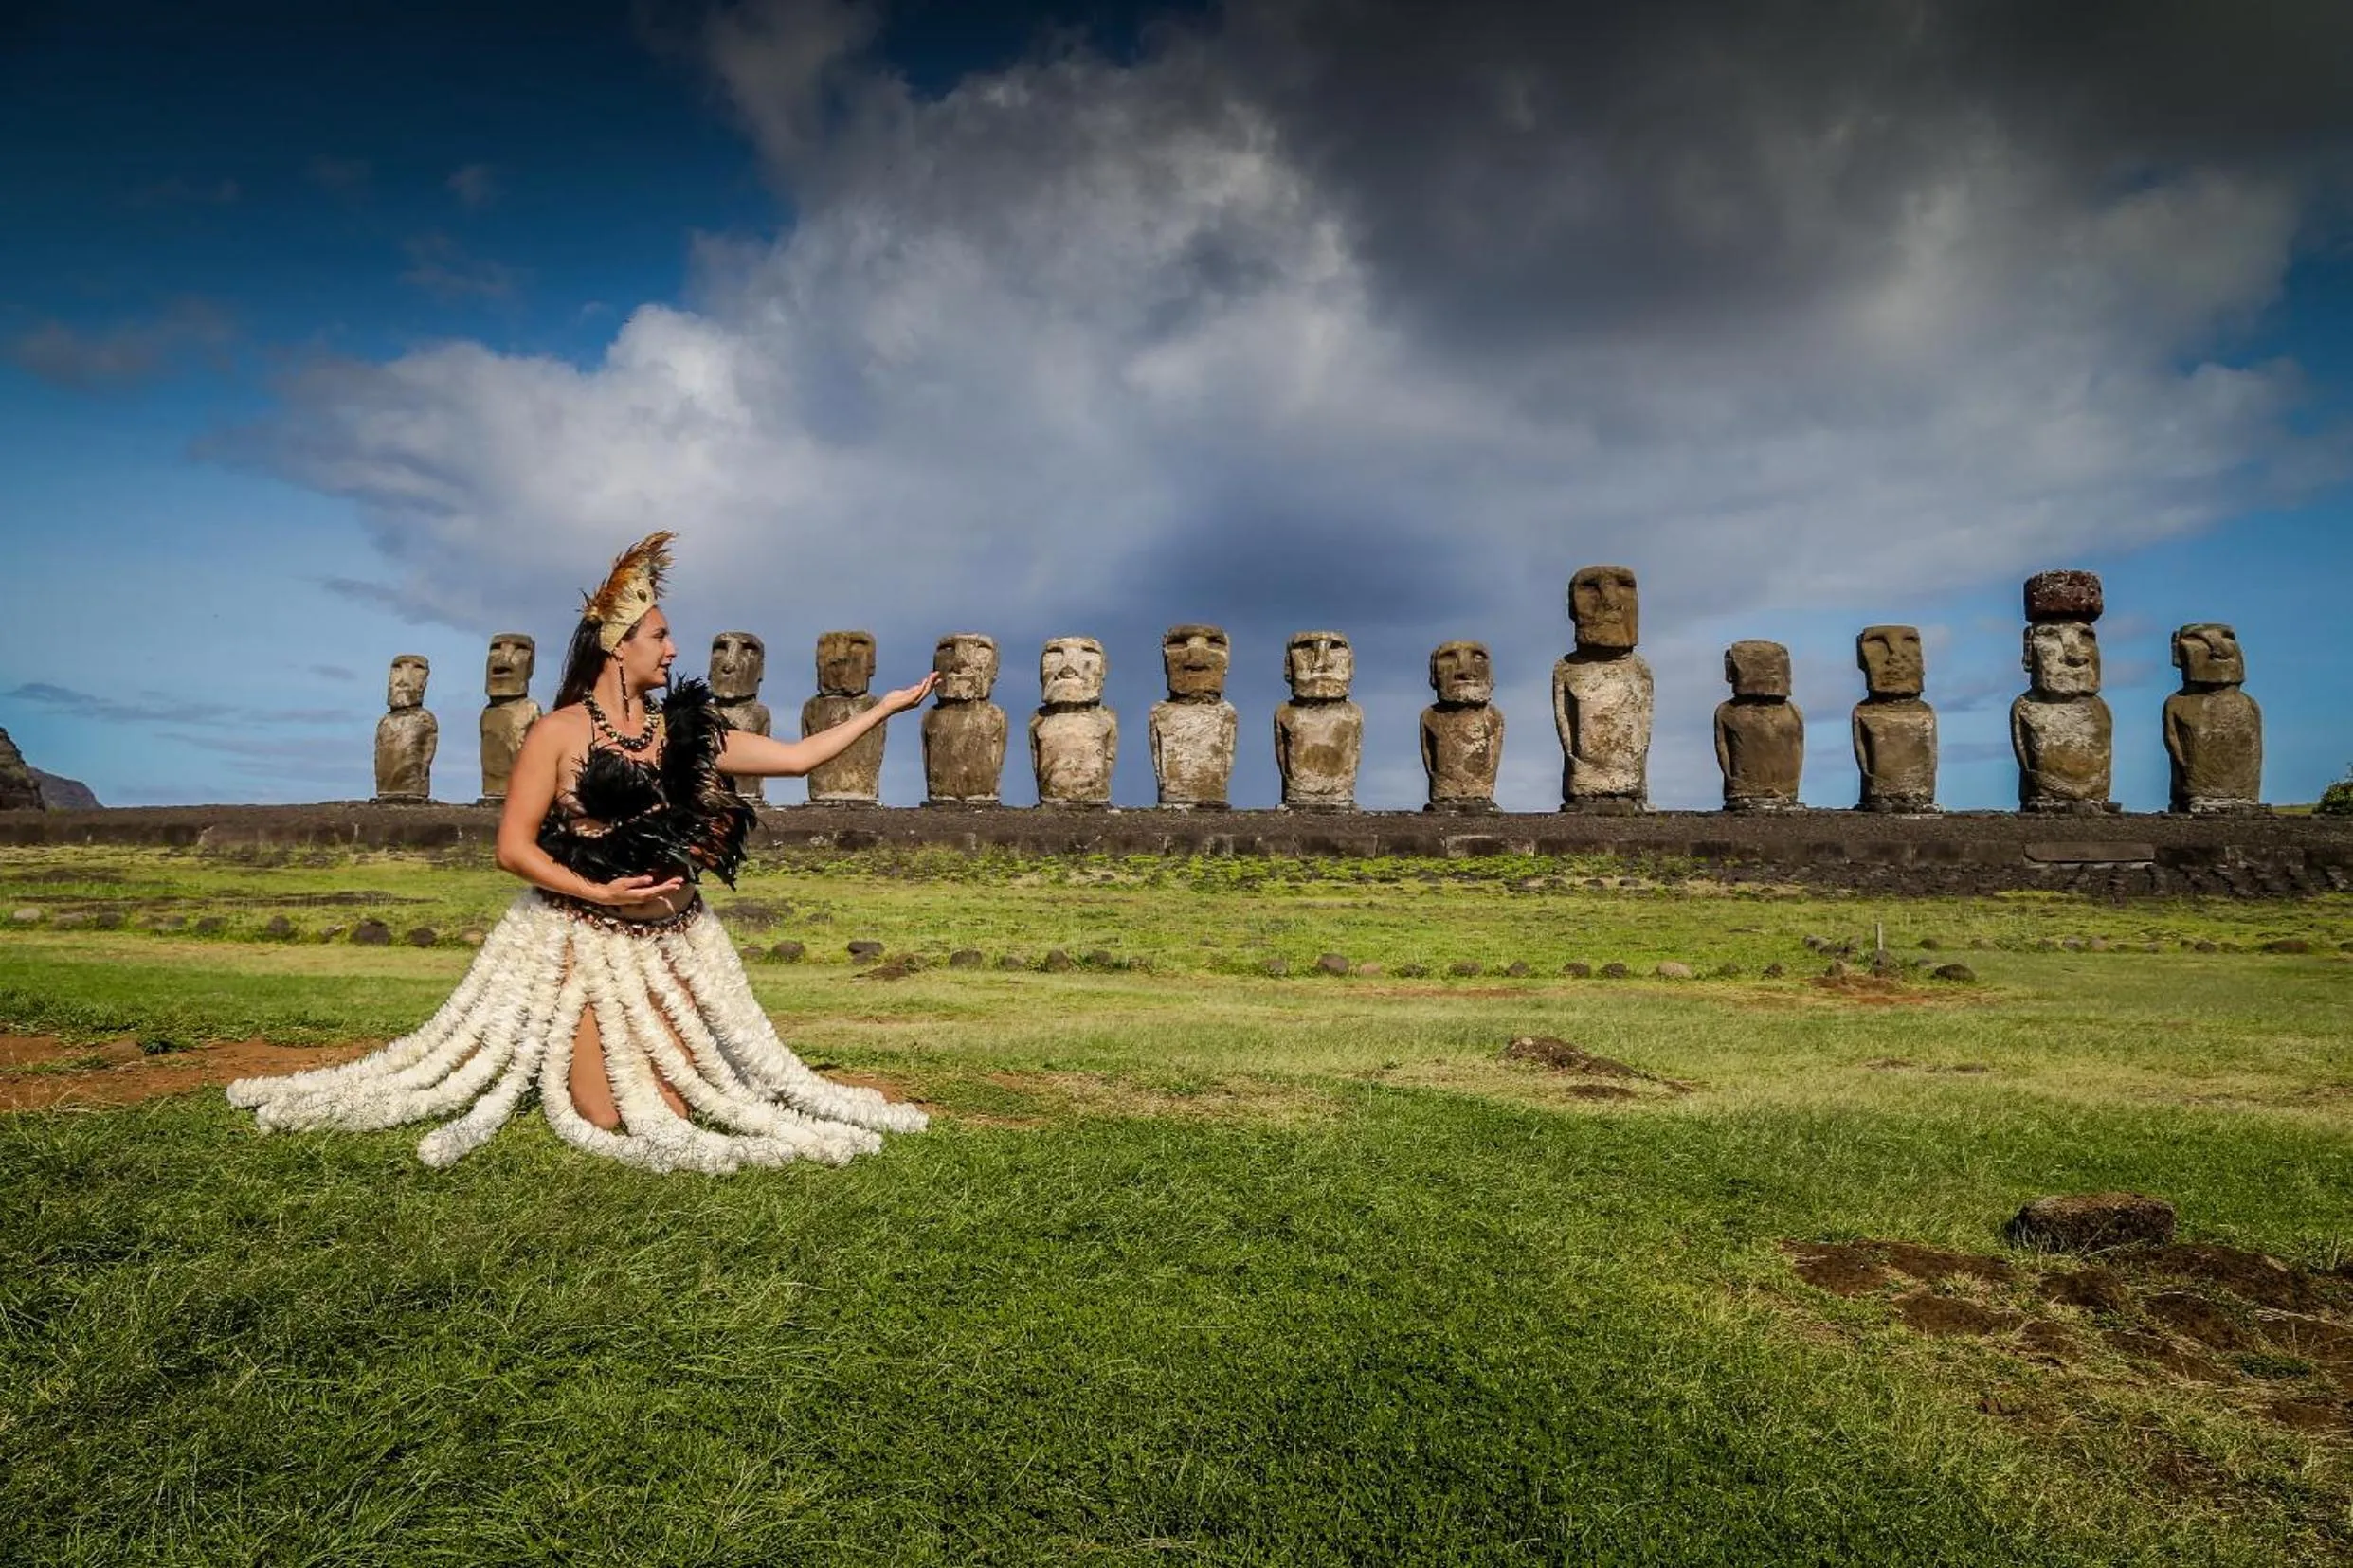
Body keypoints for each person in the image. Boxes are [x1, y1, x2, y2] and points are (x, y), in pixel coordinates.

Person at [226, 532, 937, 1174]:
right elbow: (511, 848)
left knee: (679, 1109)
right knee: (606, 1114)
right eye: (659, 636)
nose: (672, 650)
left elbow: (799, 754)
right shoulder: (557, 734)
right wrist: (597, 893)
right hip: (589, 943)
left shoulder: (689, 731)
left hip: (676, 941)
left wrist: (885, 709)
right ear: (616, 644)